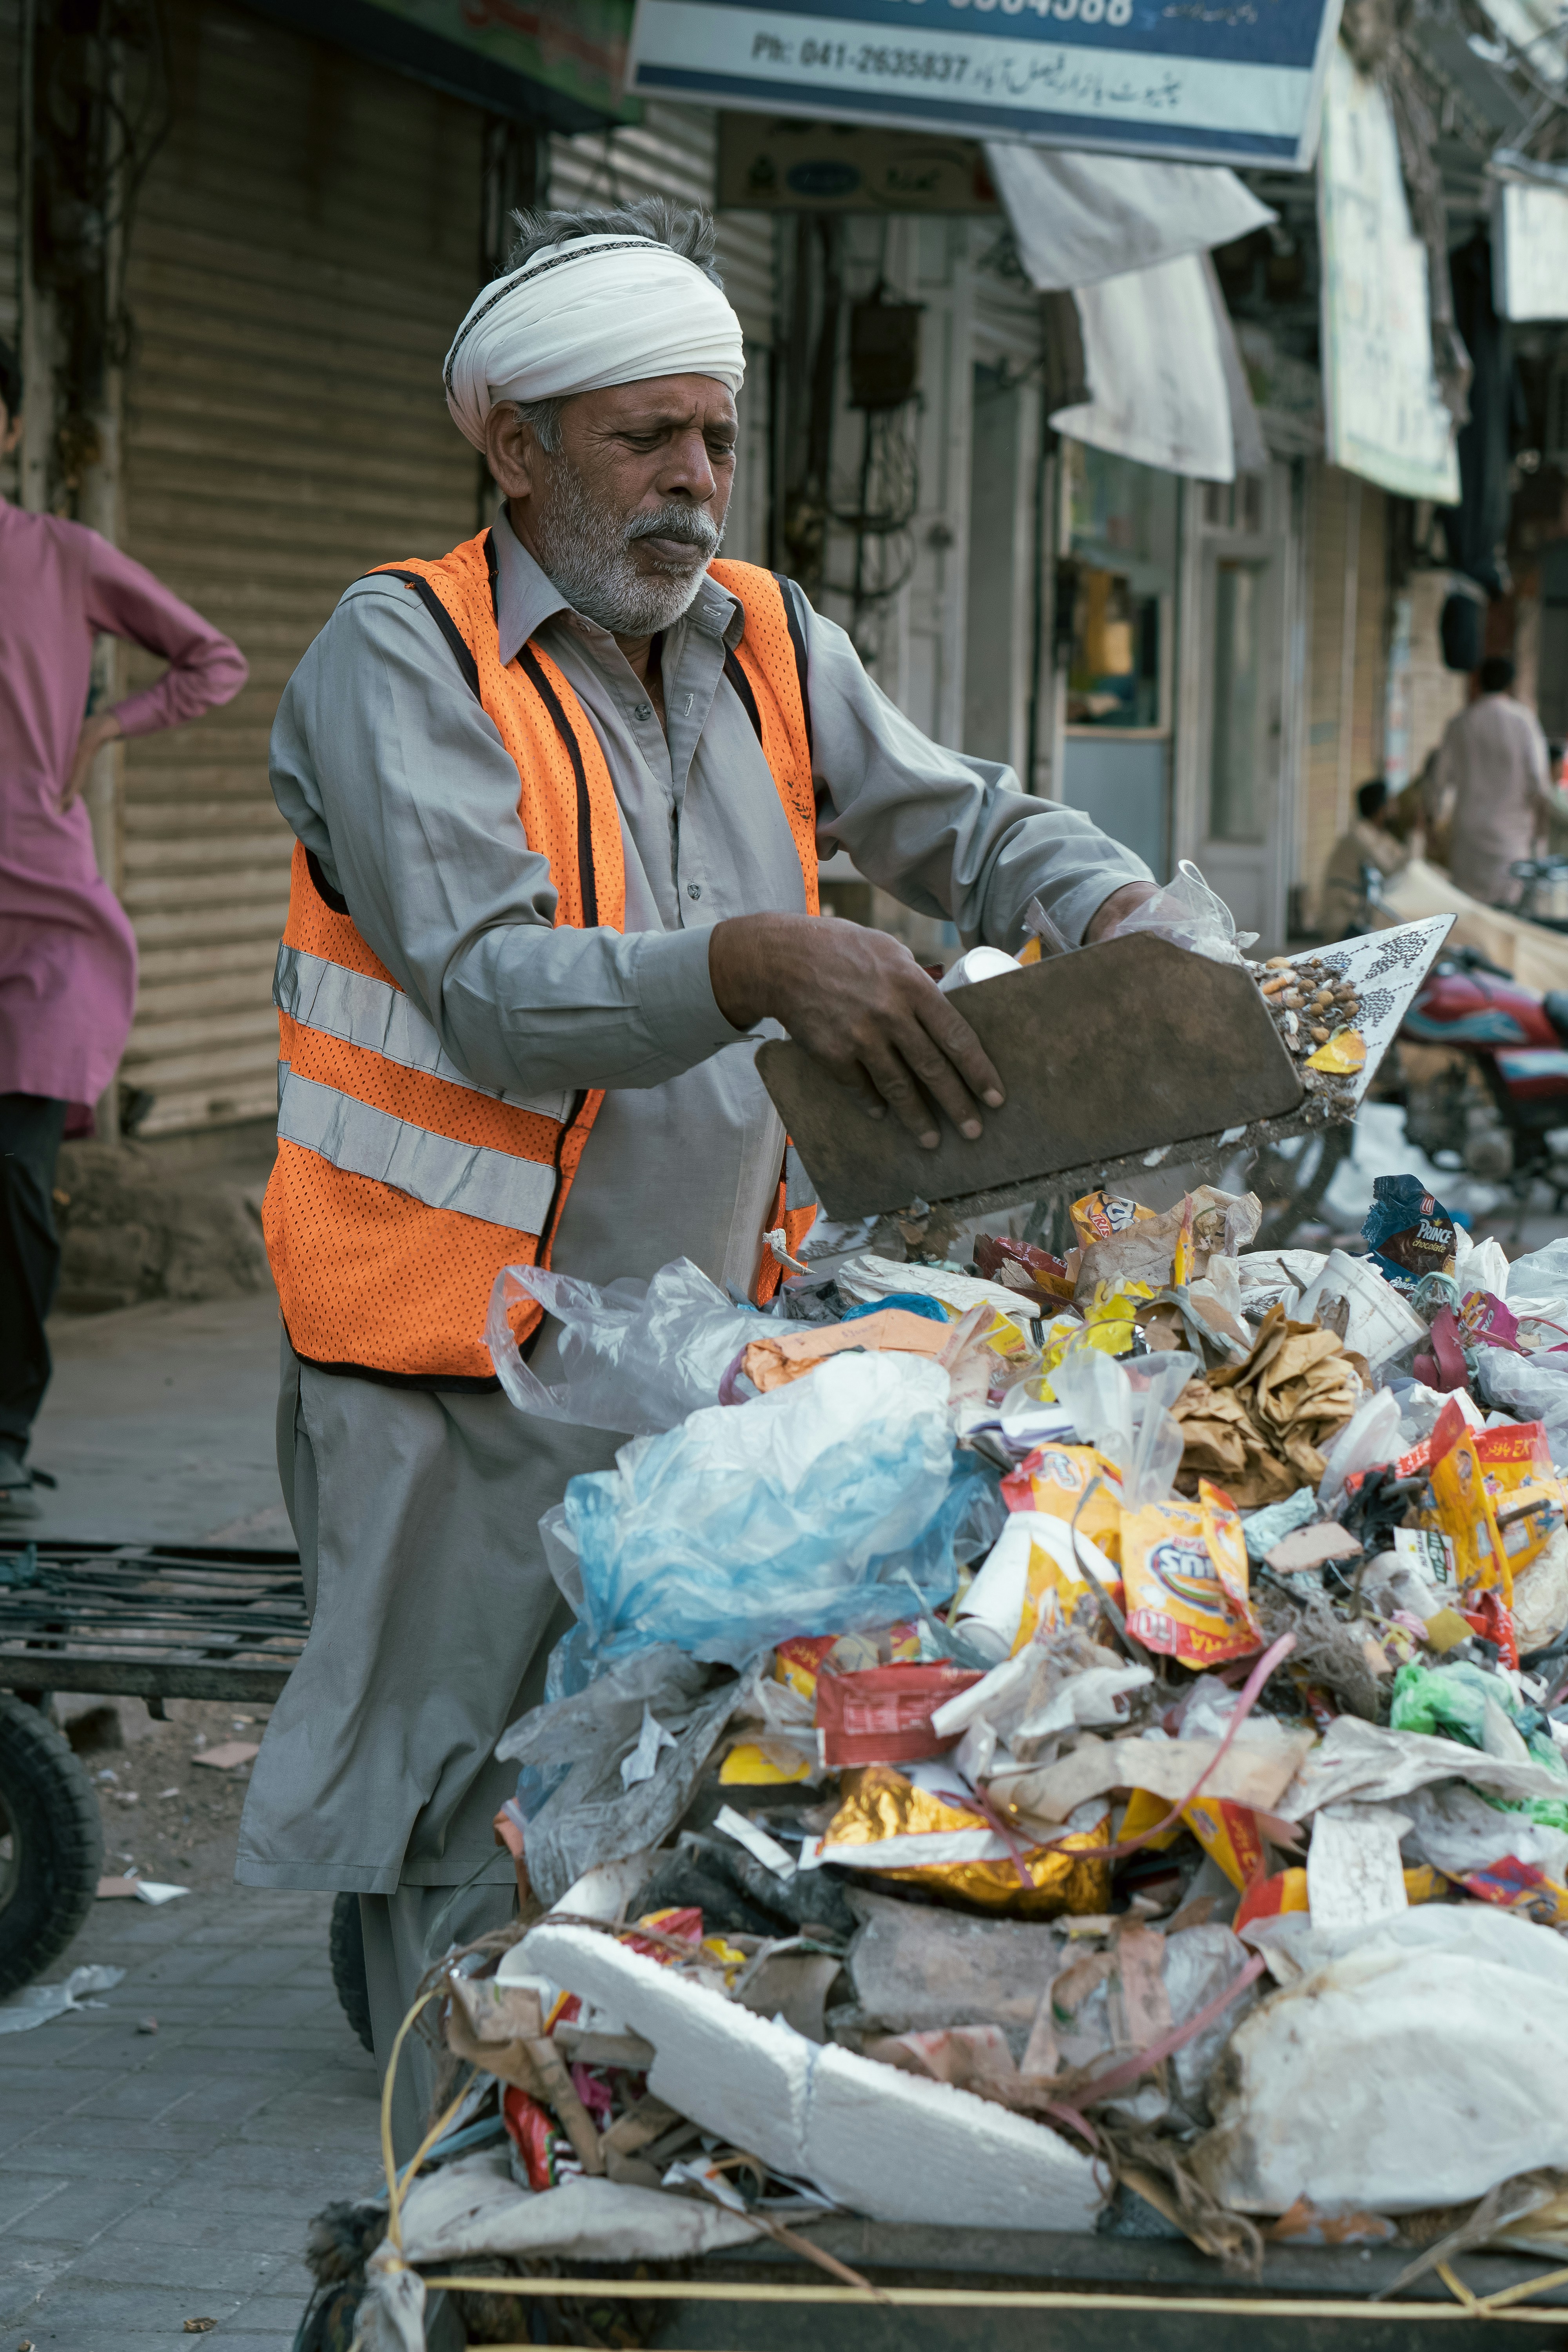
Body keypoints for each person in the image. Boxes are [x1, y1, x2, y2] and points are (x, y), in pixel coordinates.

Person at [234, 200, 1164, 2147]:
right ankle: (465, 2192)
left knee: (644, 1766)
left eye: (713, 438)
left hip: (696, 1339)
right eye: (645, 438)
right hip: (453, 1342)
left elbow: (966, 819)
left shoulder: (758, 634)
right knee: (452, 1807)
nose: (693, 482)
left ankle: (588, 2131)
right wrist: (749, 964)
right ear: (515, 451)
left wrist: (1119, 914)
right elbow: (487, 990)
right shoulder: (397, 657)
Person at [0, 339, 247, 1520]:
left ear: (8, 428)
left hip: (47, 915)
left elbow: (214, 658)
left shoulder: (62, 556)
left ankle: (4, 1431)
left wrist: (107, 730)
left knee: (16, 1177)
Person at [1430, 653, 1557, 907]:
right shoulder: (1523, 722)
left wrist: (1434, 821)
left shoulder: (1460, 723)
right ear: (1510, 684)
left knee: (1468, 912)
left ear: (1478, 683)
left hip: (1469, 838)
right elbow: (1540, 787)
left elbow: (1438, 782)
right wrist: (1540, 840)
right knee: (1506, 914)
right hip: (1510, 840)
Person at [1321, 778, 1415, 933]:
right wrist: (1416, 834)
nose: (1396, 810)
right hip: (1344, 921)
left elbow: (1403, 860)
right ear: (1380, 810)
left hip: (1358, 914)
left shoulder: (1376, 835)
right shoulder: (1360, 837)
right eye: (1391, 804)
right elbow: (1390, 870)